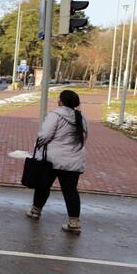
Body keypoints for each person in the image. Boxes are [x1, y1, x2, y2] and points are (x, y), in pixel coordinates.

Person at [26, 90, 88, 235]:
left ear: (62, 101)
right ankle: (74, 222)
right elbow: (84, 137)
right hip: (74, 160)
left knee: (43, 185)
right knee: (70, 190)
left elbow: (45, 135)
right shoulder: (81, 117)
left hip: (53, 159)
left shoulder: (55, 115)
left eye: (59, 98)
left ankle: (36, 210)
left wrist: (38, 144)